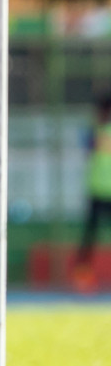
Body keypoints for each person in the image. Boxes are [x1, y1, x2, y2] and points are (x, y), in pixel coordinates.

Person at [75, 94, 111, 290]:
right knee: (89, 238)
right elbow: (88, 146)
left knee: (89, 237)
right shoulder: (95, 132)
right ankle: (83, 277)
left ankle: (82, 277)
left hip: (99, 191)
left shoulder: (97, 132)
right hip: (97, 191)